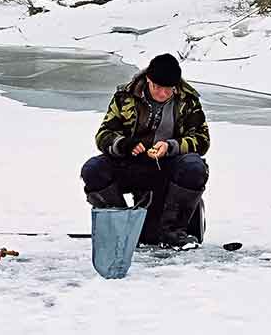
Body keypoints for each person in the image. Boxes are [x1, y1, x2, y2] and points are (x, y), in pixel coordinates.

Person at [80, 53, 210, 249]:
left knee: (194, 167)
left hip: (169, 166)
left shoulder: (188, 100)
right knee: (93, 169)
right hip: (131, 165)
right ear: (148, 80)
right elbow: (103, 135)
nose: (163, 94)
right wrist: (124, 144)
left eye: (169, 89)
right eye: (158, 88)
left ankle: (174, 232)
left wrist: (170, 146)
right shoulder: (125, 97)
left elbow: (202, 141)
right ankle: (122, 227)